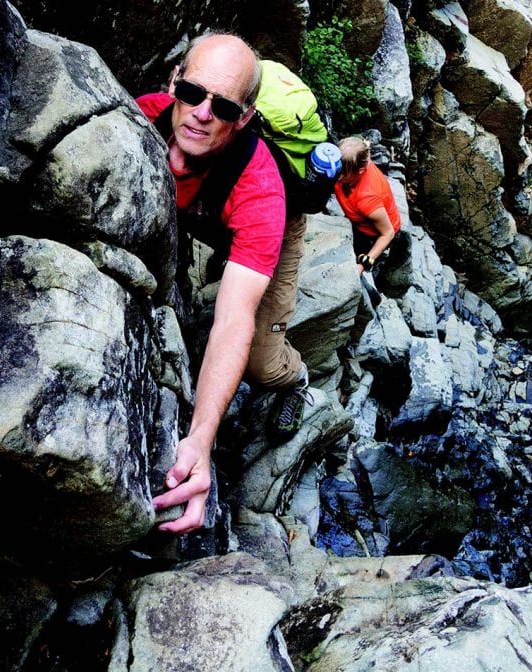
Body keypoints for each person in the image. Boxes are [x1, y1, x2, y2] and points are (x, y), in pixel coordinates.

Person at [136, 33, 311, 534]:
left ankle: (296, 377)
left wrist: (200, 438)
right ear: (174, 83)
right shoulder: (140, 117)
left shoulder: (261, 188)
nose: (200, 113)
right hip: (206, 215)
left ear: (245, 116)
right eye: (192, 93)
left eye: (224, 105)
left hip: (266, 224)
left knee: (259, 361)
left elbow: (233, 318)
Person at [333, 137, 401, 277]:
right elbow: (363, 147)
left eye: (343, 172)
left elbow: (388, 233)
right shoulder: (358, 159)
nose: (337, 175)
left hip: (373, 234)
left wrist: (362, 265)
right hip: (359, 218)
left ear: (360, 170)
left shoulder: (367, 198)